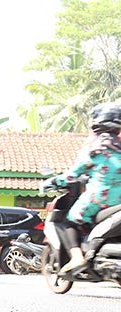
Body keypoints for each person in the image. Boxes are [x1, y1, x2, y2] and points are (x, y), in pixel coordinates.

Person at [43, 102, 121, 274]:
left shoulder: (95, 149)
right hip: (118, 202)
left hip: (98, 199)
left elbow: (71, 175)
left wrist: (53, 181)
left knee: (68, 221)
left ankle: (77, 258)